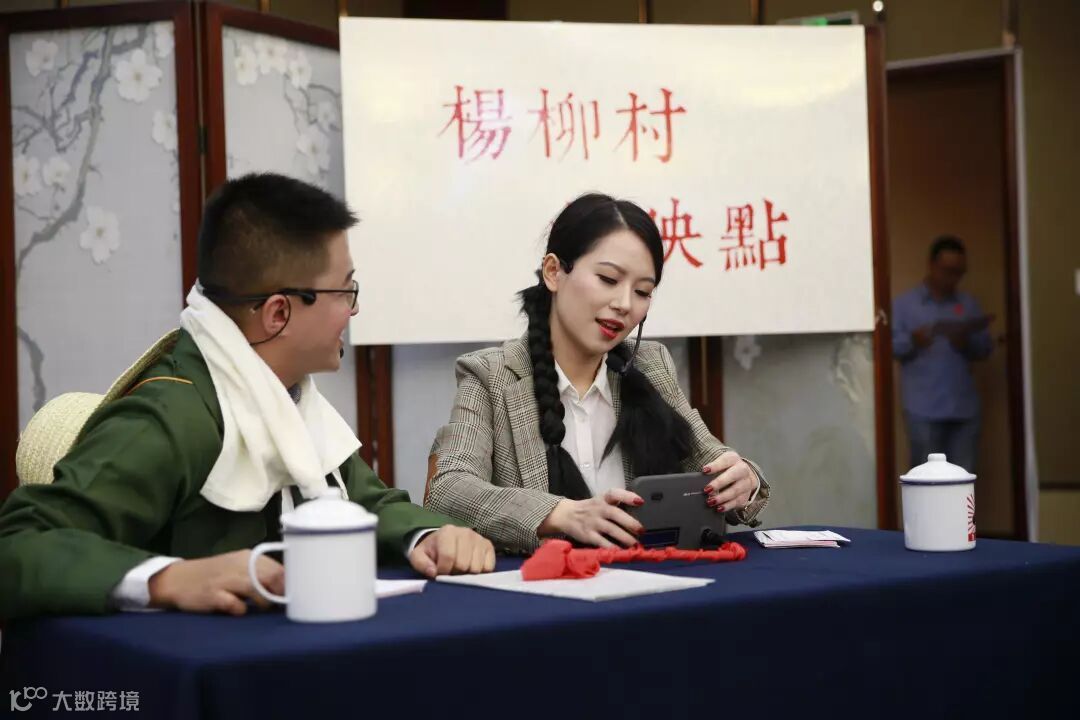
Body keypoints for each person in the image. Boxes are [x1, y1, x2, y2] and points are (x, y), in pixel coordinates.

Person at [0, 173, 493, 621]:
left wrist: (429, 535)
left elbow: (362, 501)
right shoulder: (174, 414)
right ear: (278, 313)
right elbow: (17, 543)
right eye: (345, 292)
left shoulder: (285, 395)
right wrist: (168, 578)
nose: (354, 309)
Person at [424, 193, 770, 554]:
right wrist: (560, 513)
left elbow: (713, 460)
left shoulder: (650, 364)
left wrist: (745, 479)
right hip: (542, 585)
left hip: (650, 577)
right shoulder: (492, 374)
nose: (624, 304)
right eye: (607, 279)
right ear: (554, 272)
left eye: (642, 291)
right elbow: (449, 490)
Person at [893, 235, 994, 473]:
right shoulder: (904, 305)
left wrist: (966, 343)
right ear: (931, 266)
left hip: (963, 409)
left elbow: (985, 349)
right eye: (947, 270)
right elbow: (889, 348)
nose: (953, 278)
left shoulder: (968, 305)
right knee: (925, 482)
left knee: (963, 484)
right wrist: (913, 341)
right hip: (923, 410)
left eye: (959, 272)